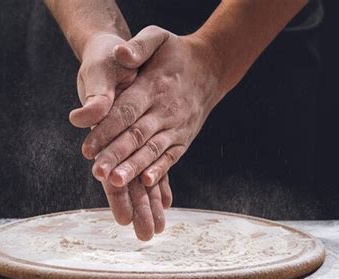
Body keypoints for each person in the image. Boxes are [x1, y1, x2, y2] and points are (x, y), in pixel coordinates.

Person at [44, 0, 322, 241]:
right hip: (86, 45)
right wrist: (97, 34)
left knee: (260, 262)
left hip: (252, 35)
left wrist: (215, 57)